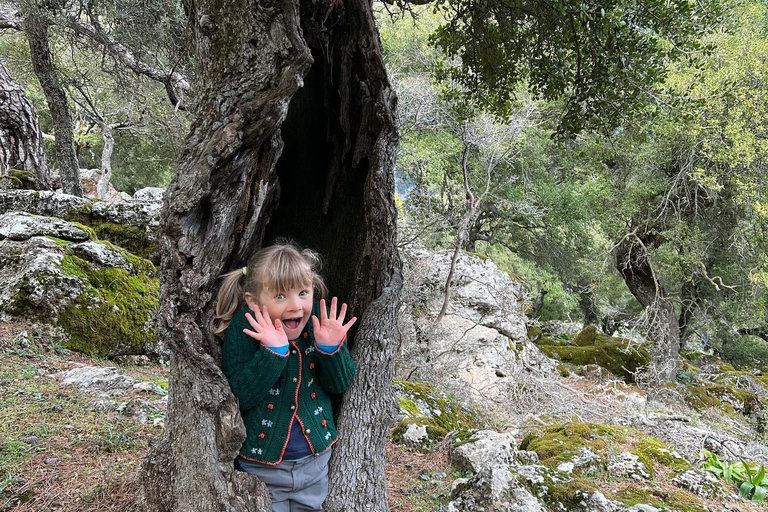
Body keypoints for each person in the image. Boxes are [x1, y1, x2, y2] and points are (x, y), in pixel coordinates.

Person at [214, 243, 357, 512]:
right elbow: (240, 396)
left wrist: (331, 350)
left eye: (303, 292)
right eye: (280, 296)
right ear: (254, 302)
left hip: (315, 465)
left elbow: (339, 385)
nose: (295, 306)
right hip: (262, 469)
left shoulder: (319, 321)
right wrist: (273, 353)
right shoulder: (246, 327)